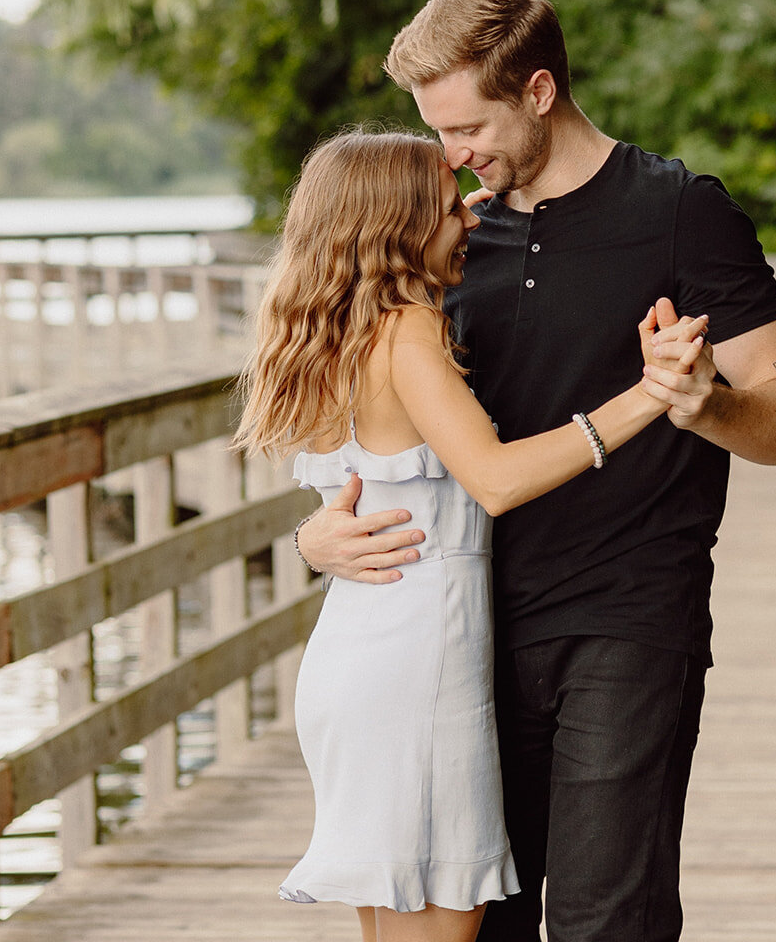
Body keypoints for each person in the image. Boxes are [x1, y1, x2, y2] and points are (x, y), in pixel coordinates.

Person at [296, 0, 776, 942]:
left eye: (465, 130)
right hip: (454, 638)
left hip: (626, 618)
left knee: (605, 920)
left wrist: (708, 405)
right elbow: (370, 421)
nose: (452, 160)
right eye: (436, 134)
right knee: (481, 925)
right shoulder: (444, 241)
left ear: (537, 91)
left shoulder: (680, 210)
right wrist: (314, 536)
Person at [233, 127, 714, 942]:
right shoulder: (405, 328)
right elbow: (493, 479)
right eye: (449, 204)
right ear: (400, 222)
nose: (470, 216)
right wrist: (647, 394)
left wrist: (304, 543)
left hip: (357, 654)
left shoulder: (331, 333)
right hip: (418, 667)